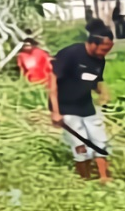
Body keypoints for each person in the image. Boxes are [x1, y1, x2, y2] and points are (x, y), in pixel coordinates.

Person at [49, 20, 115, 183]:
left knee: (100, 140)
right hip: (66, 108)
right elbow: (52, 83)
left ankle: (104, 177)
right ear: (92, 44)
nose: (104, 54)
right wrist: (55, 112)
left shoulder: (100, 60)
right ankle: (84, 180)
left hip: (86, 105)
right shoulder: (70, 54)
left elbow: (95, 81)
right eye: (103, 49)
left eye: (108, 50)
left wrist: (103, 93)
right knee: (80, 145)